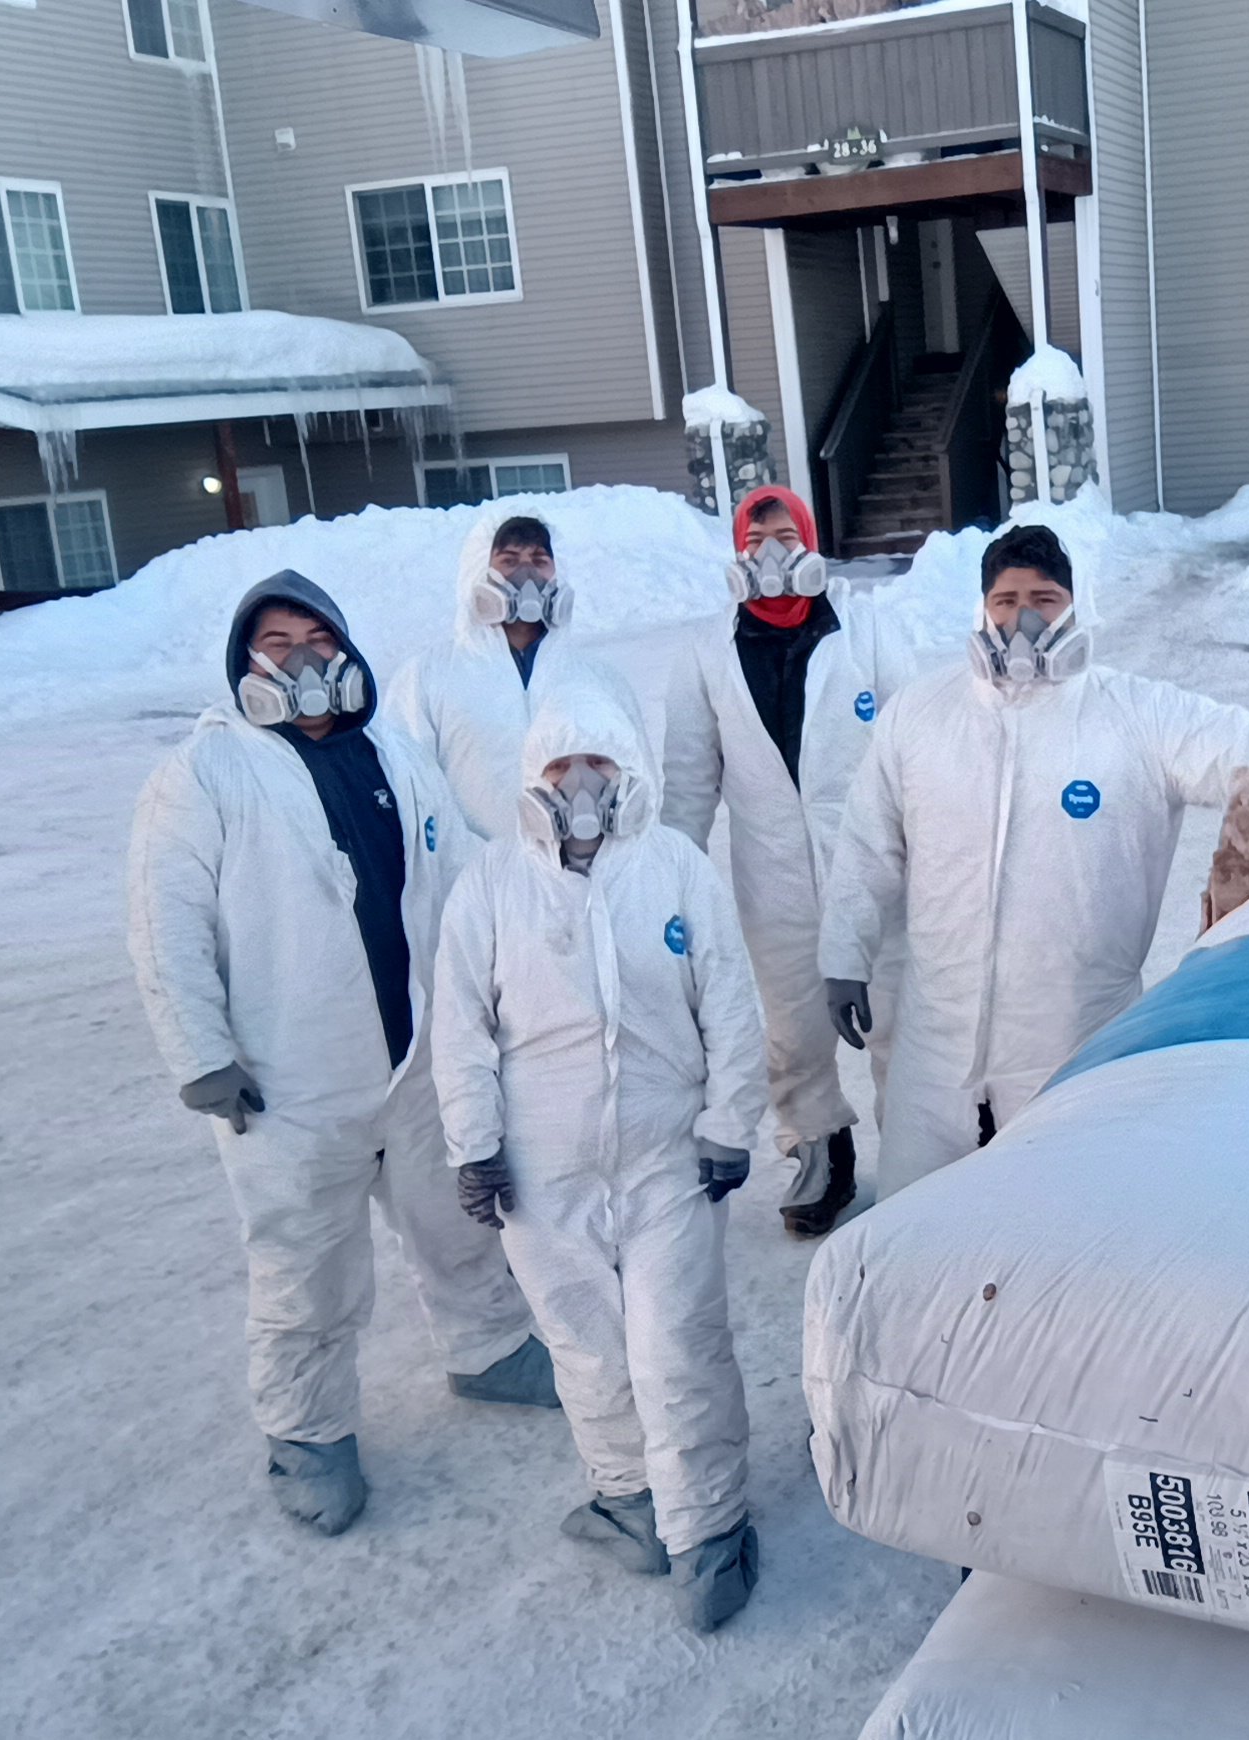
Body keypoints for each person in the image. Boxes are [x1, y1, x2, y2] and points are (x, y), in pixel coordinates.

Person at [818, 523, 1249, 1198]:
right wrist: (844, 955)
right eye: (1006, 601)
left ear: (1073, 607)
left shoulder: (1135, 715)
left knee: (1062, 1219)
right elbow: (868, 843)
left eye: (1043, 599)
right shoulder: (921, 715)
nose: (1023, 620)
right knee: (914, 1214)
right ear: (983, 609)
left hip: (1073, 1042)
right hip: (936, 1046)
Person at [126, 571, 555, 1538]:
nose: (303, 660)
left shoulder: (394, 752)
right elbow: (164, 923)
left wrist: (544, 902)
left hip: (414, 1059)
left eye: (318, 639)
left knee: (457, 1222)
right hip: (288, 1083)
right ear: (246, 664)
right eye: (278, 645)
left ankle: (487, 1348)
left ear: (347, 649)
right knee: (306, 1263)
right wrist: (200, 1052)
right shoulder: (205, 774)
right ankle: (307, 1431)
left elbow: (463, 869)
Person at [431, 666, 769, 1634]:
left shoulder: (674, 868)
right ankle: (629, 1498)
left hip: (670, 1163)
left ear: (629, 769)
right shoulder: (492, 884)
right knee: (585, 1343)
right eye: (560, 766)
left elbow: (730, 1003)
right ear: (533, 775)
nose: (581, 785)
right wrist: (475, 1145)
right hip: (542, 1176)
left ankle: (709, 1529)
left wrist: (729, 1121)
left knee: (677, 1343)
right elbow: (460, 1026)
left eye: (600, 763)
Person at [680, 485, 914, 1236]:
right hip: (773, 877)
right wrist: (673, 884)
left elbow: (918, 743)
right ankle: (819, 1151)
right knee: (794, 1029)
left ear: (810, 543)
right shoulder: (708, 649)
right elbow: (689, 780)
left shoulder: (864, 627)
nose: (772, 554)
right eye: (756, 543)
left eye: (786, 537)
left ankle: (914, 1155)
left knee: (899, 1018)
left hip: (875, 868)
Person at [386, 508, 716, 850]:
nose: (526, 574)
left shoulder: (598, 682)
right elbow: (412, 794)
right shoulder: (427, 679)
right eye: (509, 560)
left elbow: (638, 790)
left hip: (578, 878)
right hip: (471, 875)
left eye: (539, 560)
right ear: (478, 571)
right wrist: (472, 863)